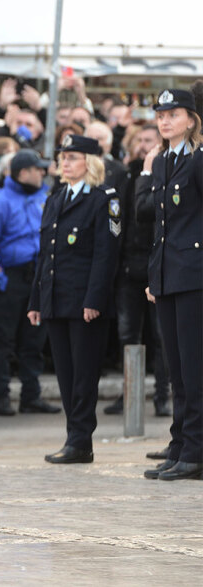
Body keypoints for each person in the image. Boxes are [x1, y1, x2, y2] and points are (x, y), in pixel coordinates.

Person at [27, 134, 120, 464]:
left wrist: (94, 299)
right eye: (62, 157)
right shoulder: (56, 197)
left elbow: (104, 255)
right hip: (56, 299)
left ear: (90, 162)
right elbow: (45, 255)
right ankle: (75, 439)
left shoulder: (102, 199)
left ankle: (81, 440)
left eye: (72, 157)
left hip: (85, 303)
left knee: (83, 375)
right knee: (66, 375)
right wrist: (36, 301)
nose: (64, 162)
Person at [139, 89, 203, 481]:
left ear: (191, 120)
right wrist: (153, 276)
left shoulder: (197, 160)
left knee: (194, 367)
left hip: (194, 274)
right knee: (176, 367)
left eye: (174, 114)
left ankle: (195, 449)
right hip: (167, 274)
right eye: (161, 115)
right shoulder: (162, 161)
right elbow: (157, 226)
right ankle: (180, 443)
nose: (165, 121)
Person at [0, 149, 61, 416]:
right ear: (23, 172)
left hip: (37, 276)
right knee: (3, 341)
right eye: (38, 169)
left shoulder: (43, 198)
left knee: (33, 340)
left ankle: (31, 396)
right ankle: (0, 398)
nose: (43, 173)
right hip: (11, 279)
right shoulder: (0, 202)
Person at [104, 123, 171, 418]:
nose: (144, 145)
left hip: (158, 264)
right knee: (128, 334)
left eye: (150, 140)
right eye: (140, 139)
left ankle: (161, 396)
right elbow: (114, 218)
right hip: (128, 265)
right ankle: (129, 394)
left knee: (161, 336)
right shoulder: (122, 173)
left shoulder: (167, 170)